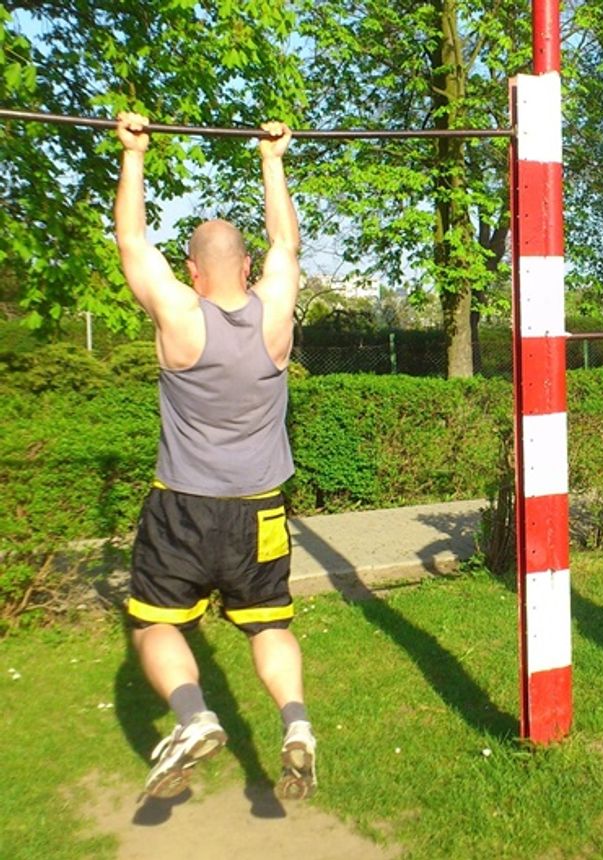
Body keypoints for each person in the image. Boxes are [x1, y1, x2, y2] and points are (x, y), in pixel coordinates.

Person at [114, 112, 316, 801]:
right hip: (260, 510)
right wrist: (273, 159)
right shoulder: (276, 309)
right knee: (270, 625)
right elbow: (288, 242)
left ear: (194, 270)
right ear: (249, 267)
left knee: (153, 625)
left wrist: (134, 155)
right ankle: (296, 725)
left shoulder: (179, 314)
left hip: (184, 510)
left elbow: (133, 243)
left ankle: (193, 717)